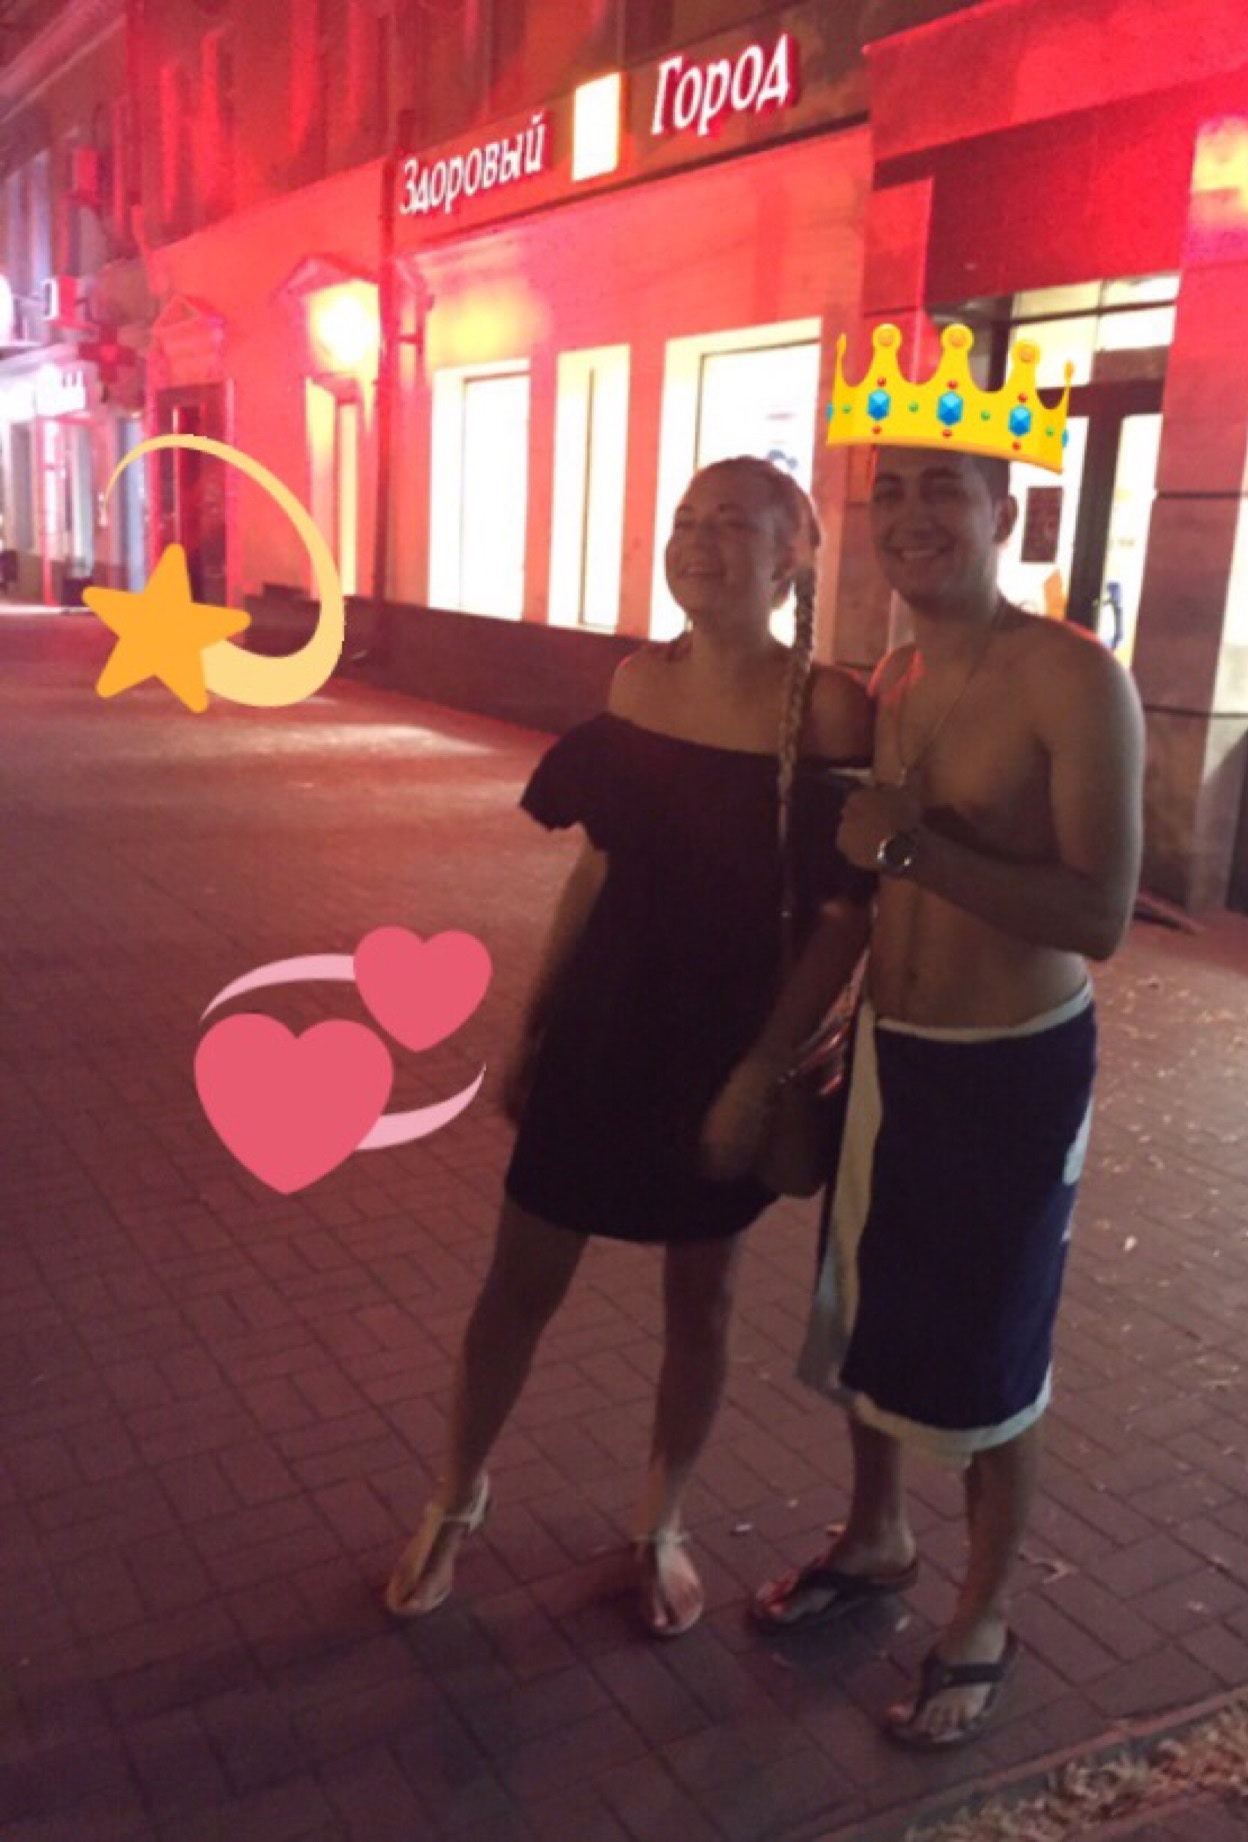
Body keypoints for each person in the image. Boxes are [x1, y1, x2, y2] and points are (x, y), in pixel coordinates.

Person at [385, 456, 872, 1638]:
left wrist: (760, 1069)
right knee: (518, 1283)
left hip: (727, 1037)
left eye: (734, 523)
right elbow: (595, 869)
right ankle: (456, 1495)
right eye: (686, 519)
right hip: (607, 1021)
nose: (700, 541)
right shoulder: (638, 683)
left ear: (793, 557)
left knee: (702, 1301)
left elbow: (841, 918)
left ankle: (661, 1521)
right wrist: (535, 1020)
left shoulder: (830, 709)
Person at [753, 440, 1144, 1748]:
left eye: (943, 491)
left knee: (994, 1342)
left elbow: (1100, 913)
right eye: (891, 493)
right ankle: (876, 1536)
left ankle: (984, 1609)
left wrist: (916, 846)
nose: (911, 516)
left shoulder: (1071, 678)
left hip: (1009, 1063)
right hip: (893, 1046)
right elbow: (855, 893)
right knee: (864, 1306)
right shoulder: (896, 677)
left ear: (1006, 511)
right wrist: (781, 1047)